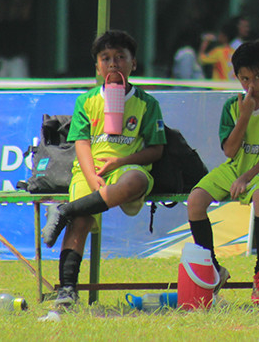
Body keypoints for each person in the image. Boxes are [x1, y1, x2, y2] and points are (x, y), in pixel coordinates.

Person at [41, 30, 167, 308]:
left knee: (136, 180)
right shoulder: (86, 101)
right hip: (91, 171)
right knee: (82, 219)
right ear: (97, 66)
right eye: (106, 58)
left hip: (127, 169)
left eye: (121, 57)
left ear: (133, 64)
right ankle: (67, 289)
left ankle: (64, 210)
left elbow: (156, 150)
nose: (113, 64)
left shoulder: (147, 103)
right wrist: (92, 177)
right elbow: (82, 144)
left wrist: (121, 161)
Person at [187, 40, 259, 304]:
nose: (251, 85)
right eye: (245, 78)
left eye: (258, 76)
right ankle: (214, 269)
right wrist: (245, 117)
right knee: (195, 201)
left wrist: (247, 177)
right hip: (236, 166)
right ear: (236, 77)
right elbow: (229, 151)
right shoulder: (233, 107)